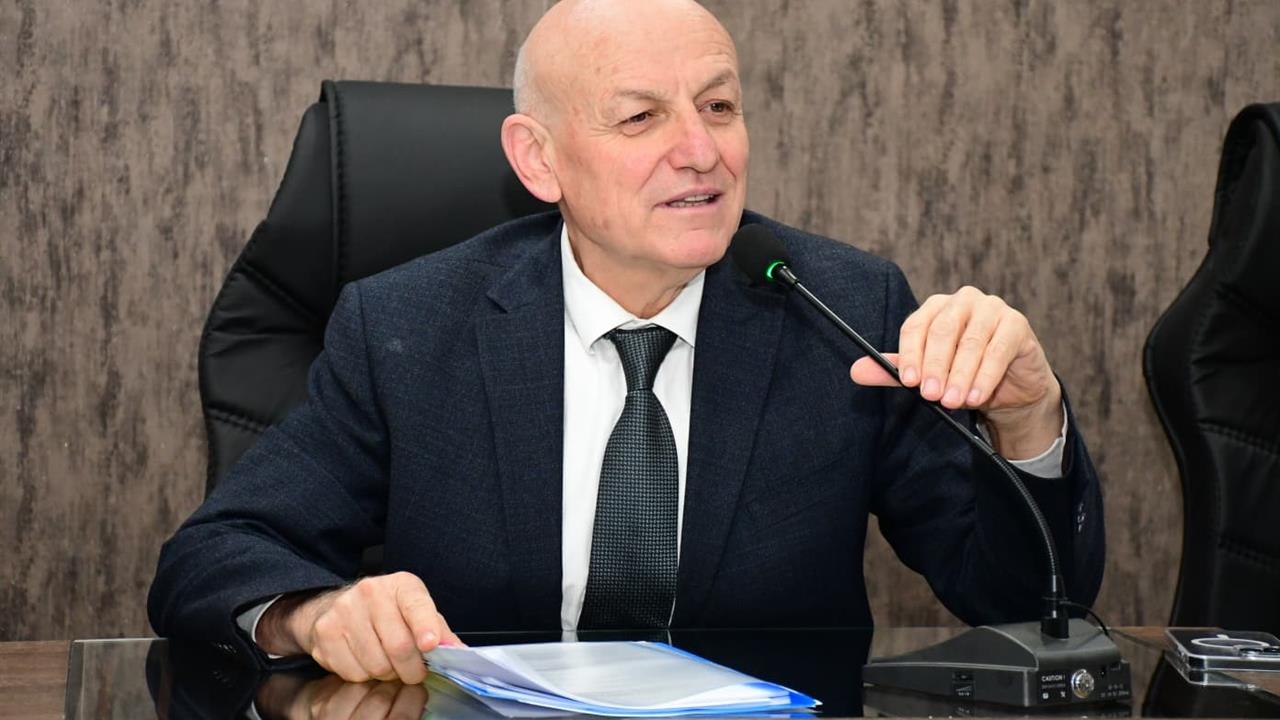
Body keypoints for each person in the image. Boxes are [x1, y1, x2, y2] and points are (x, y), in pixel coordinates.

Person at [149, 0, 1104, 685]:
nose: (702, 150)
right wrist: (315, 612)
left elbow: (1019, 603)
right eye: (642, 116)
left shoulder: (839, 308)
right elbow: (214, 555)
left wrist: (1028, 421)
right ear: (539, 159)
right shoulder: (408, 325)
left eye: (719, 107)